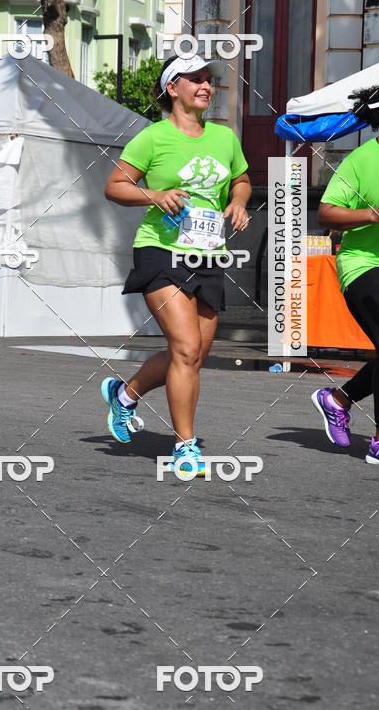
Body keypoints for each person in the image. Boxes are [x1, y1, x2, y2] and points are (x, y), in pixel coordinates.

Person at [102, 54, 251, 474]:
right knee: (186, 349)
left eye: (209, 79)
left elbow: (240, 179)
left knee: (192, 354)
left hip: (206, 255)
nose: (206, 86)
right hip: (159, 251)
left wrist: (238, 202)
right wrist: (155, 195)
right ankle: (185, 446)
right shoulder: (152, 139)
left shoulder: (224, 138)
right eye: (196, 79)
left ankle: (125, 395)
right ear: (173, 89)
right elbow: (114, 185)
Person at [312, 75, 379, 468]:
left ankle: (338, 399)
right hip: (363, 265)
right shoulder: (362, 159)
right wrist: (375, 214)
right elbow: (325, 213)